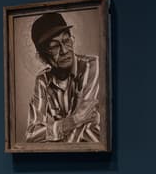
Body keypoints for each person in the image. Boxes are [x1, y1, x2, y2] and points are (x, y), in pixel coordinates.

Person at [25, 11, 101, 143]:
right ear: (42, 57)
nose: (64, 51)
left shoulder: (92, 67)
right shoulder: (42, 81)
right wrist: (74, 120)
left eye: (66, 41)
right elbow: (31, 135)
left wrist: (56, 130)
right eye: (54, 47)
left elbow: (80, 133)